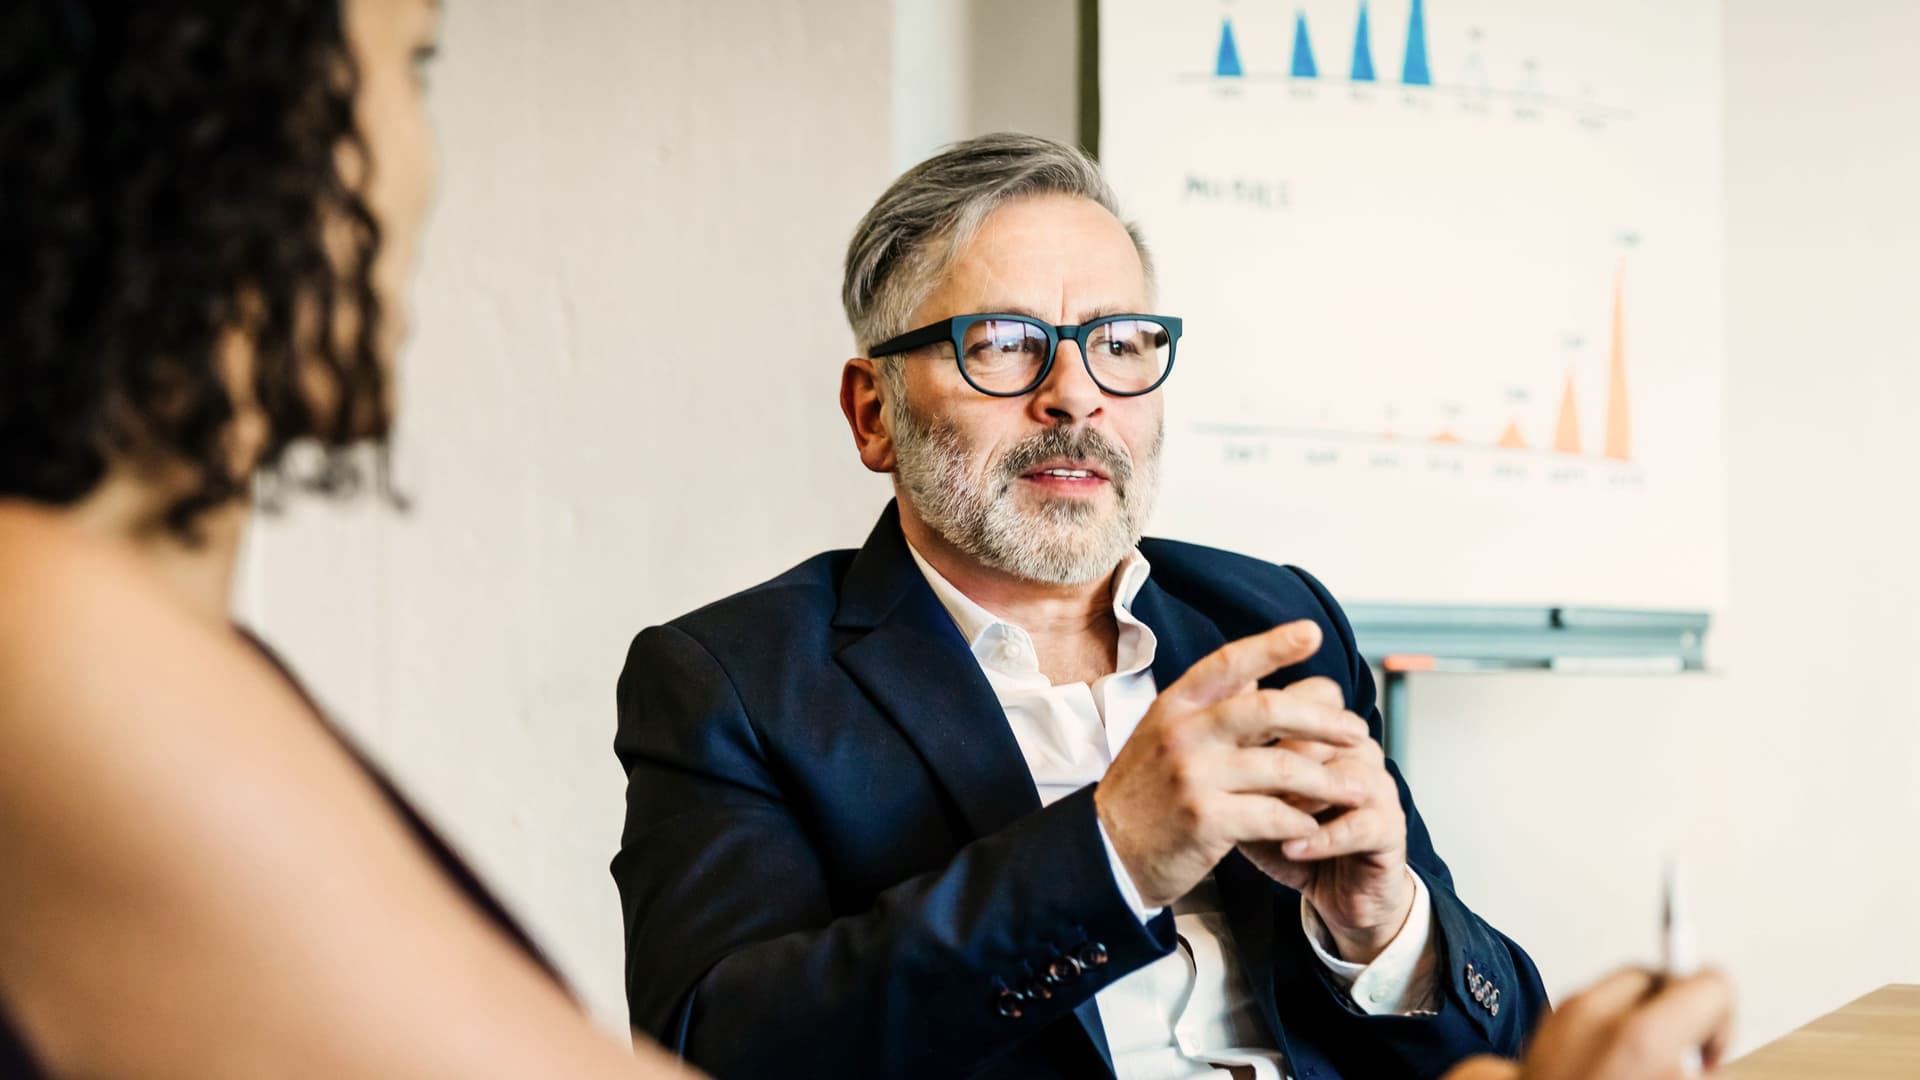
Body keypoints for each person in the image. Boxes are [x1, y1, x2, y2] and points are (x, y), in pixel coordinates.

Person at [610, 132, 1725, 1080]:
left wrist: (1385, 933)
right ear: (874, 414)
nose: (1076, 394)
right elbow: (714, 1049)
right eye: (1002, 344)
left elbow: (1500, 1044)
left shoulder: (1270, 618)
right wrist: (1113, 853)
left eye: (1120, 343)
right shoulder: (735, 680)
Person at [0, 4, 688, 1077]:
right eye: (413, 66)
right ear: (221, 123)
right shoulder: (43, 639)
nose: (426, 169)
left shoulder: (142, 648)